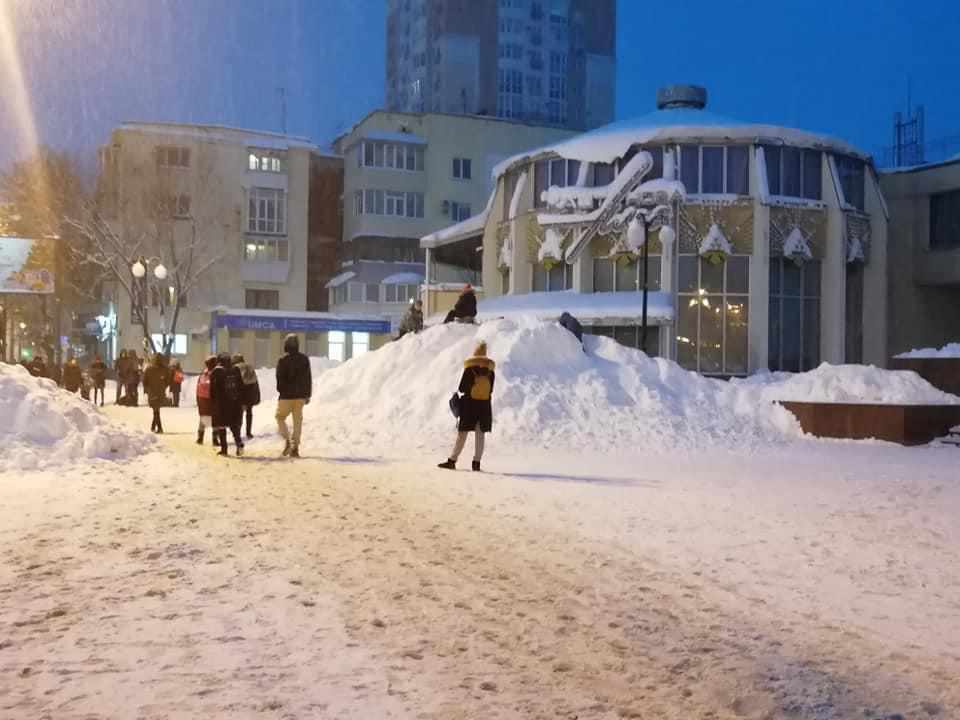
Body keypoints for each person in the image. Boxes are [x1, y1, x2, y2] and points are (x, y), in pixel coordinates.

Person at [438, 341, 495, 472]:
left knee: (462, 434)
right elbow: (491, 390)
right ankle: (476, 463)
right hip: (484, 406)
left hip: (469, 405)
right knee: (480, 436)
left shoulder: (470, 369)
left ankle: (452, 461)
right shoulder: (490, 372)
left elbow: (461, 388)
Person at [275, 333, 312, 458]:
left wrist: (281, 390)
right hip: (300, 396)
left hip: (286, 396)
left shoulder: (282, 360)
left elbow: (279, 379)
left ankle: (288, 441)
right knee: (297, 422)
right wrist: (307, 394)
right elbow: (308, 378)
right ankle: (295, 448)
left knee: (280, 417)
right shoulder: (304, 359)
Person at [210, 352, 244, 456]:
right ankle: (239, 443)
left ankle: (224, 449)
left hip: (222, 404)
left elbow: (212, 390)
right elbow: (241, 386)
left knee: (222, 426)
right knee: (234, 425)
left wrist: (213, 403)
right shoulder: (236, 370)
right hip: (235, 402)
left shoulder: (216, 372)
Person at [232, 353, 261, 439]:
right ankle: (248, 432)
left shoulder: (236, 368)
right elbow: (255, 382)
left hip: (242, 394)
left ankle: (238, 433)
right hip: (251, 393)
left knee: (239, 414)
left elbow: (236, 382)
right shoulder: (250, 367)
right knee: (249, 413)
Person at [142, 353, 169, 433]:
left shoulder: (149, 369)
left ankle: (159, 428)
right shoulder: (165, 369)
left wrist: (147, 390)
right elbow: (168, 380)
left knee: (156, 410)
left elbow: (144, 381)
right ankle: (153, 427)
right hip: (160, 392)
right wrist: (164, 386)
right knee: (156, 409)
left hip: (152, 392)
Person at [195, 355, 217, 445]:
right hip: (212, 400)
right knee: (215, 419)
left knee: (203, 418)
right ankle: (215, 439)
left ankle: (200, 438)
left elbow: (198, 389)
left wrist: (198, 401)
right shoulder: (216, 374)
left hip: (202, 400)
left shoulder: (203, 373)